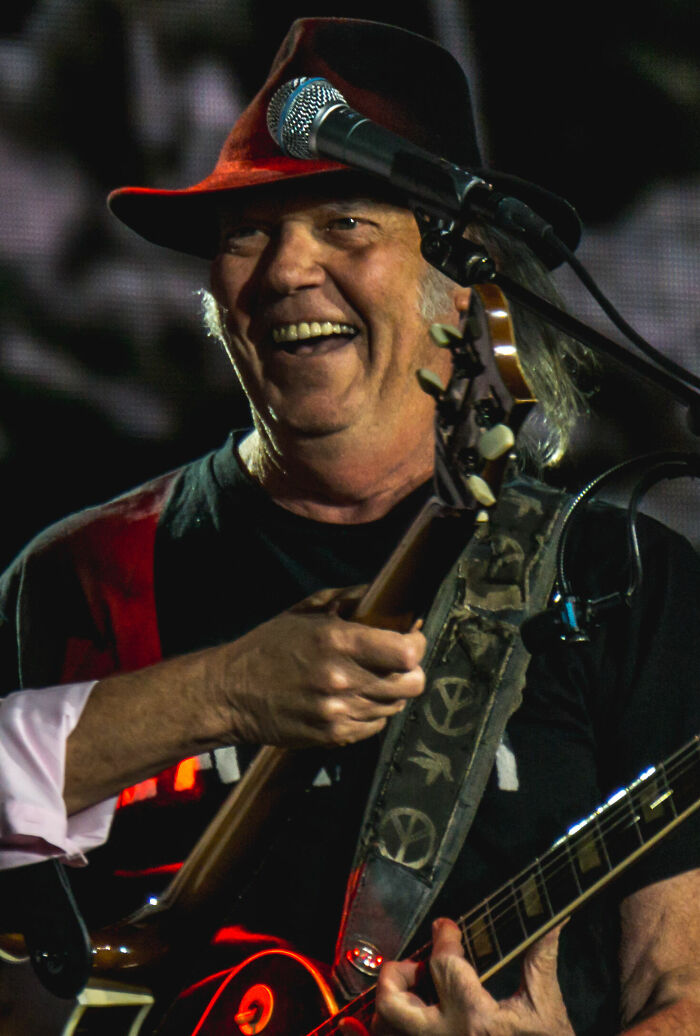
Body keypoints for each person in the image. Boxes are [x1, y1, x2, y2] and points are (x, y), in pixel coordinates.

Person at [0, 16, 698, 1036]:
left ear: (462, 291)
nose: (286, 269)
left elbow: (679, 991)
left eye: (345, 222)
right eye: (247, 231)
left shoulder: (626, 574)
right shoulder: (86, 572)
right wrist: (229, 688)